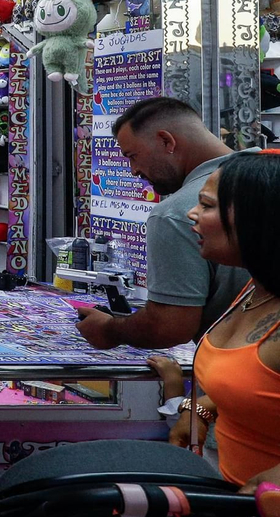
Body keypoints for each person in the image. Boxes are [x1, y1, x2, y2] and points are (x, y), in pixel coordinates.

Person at [78, 97, 243, 349]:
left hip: (242, 371)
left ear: (167, 141)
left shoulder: (176, 213)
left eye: (132, 156)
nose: (133, 171)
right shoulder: (269, 173)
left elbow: (169, 326)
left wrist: (110, 329)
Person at [167, 151, 280, 492]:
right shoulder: (256, 287)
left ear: (259, 218)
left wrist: (265, 488)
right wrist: (200, 408)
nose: (192, 214)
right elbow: (256, 383)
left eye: (206, 205)